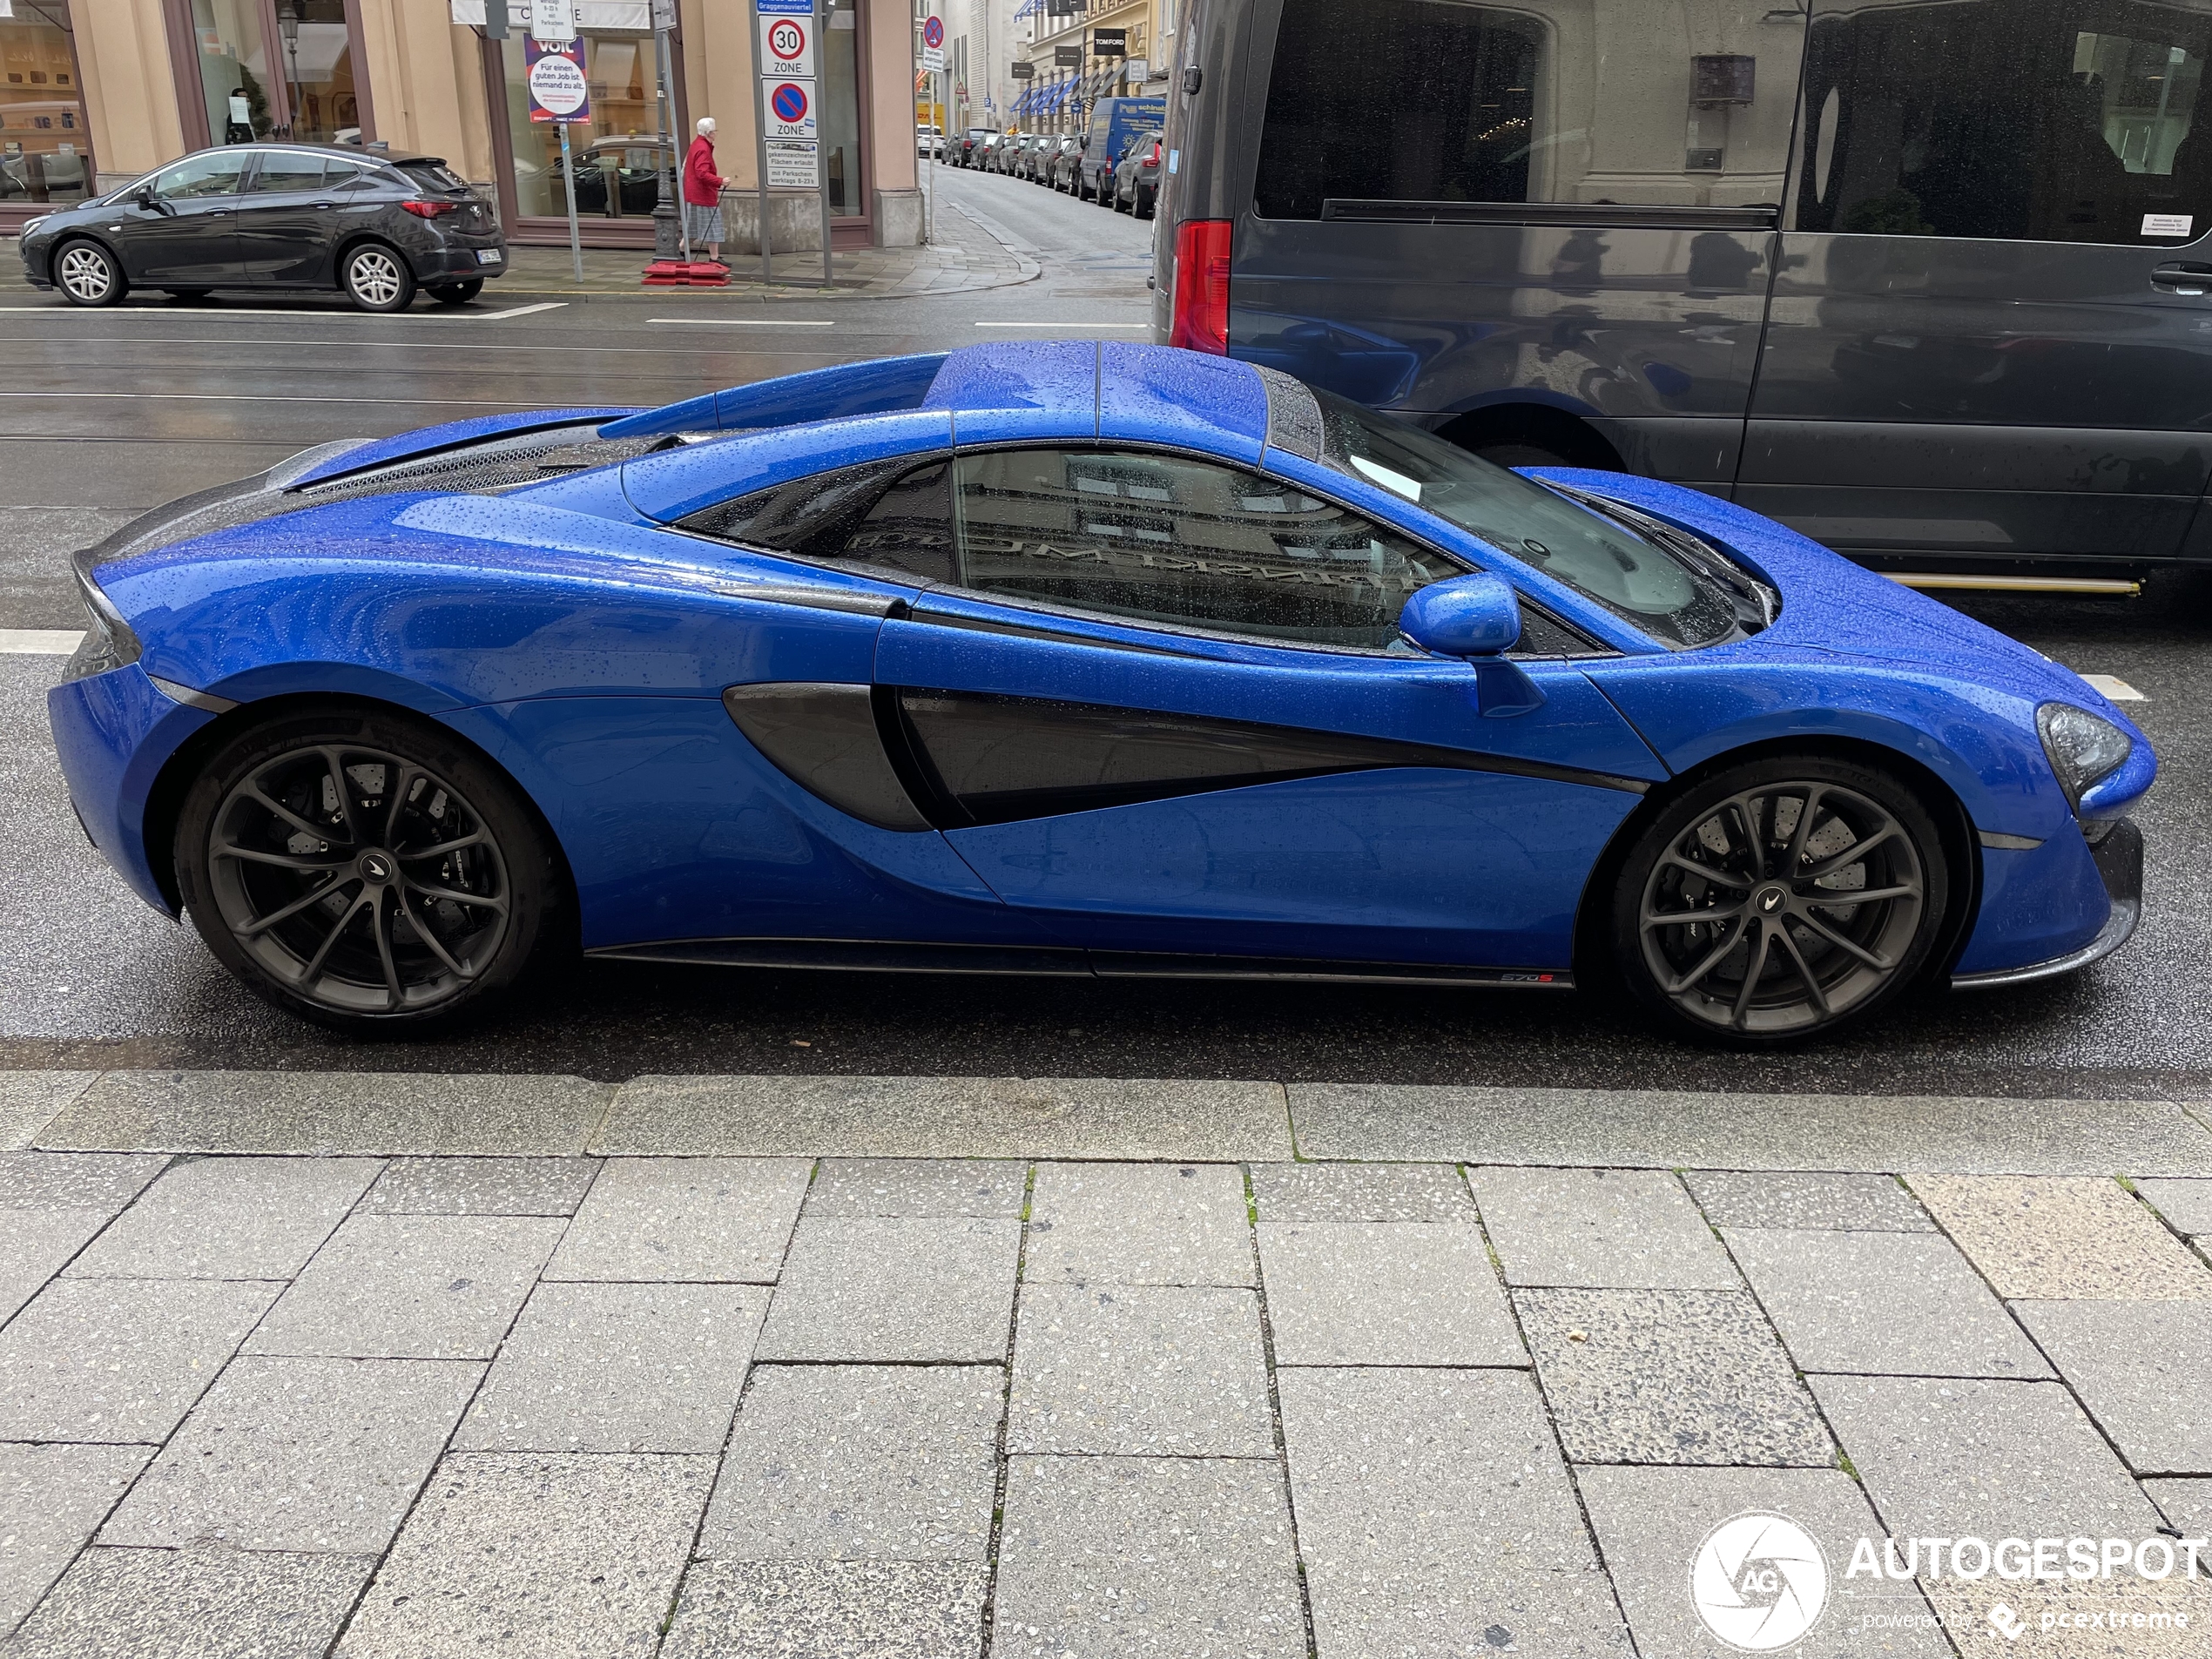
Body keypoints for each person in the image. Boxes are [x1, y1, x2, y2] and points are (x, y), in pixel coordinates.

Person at [684, 116, 735, 264]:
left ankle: (681, 249)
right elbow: (702, 173)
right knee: (713, 225)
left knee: (693, 226)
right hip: (703, 194)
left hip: (694, 193)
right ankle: (714, 258)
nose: (716, 134)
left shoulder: (696, 144)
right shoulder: (703, 149)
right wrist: (720, 181)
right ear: (709, 133)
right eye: (714, 131)